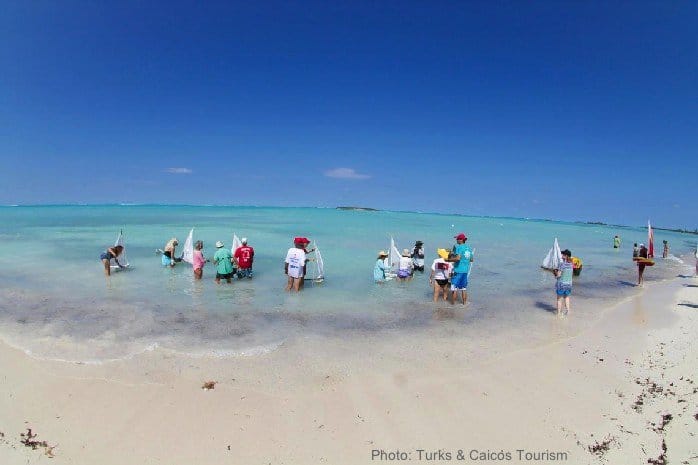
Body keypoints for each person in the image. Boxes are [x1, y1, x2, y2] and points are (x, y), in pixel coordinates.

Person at [449, 233, 474, 305]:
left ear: (461, 240)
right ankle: (464, 304)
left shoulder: (459, 247)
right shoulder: (469, 248)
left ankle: (452, 305)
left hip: (458, 270)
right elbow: (471, 259)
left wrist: (448, 260)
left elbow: (458, 258)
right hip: (465, 271)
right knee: (464, 288)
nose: (456, 240)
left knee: (454, 288)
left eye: (457, 239)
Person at [553, 249, 574, 317]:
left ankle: (558, 313)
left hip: (561, 284)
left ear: (566, 256)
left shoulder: (562, 264)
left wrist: (555, 274)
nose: (561, 255)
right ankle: (568, 311)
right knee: (567, 297)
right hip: (569, 284)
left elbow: (559, 275)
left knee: (559, 299)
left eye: (563, 254)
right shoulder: (571, 264)